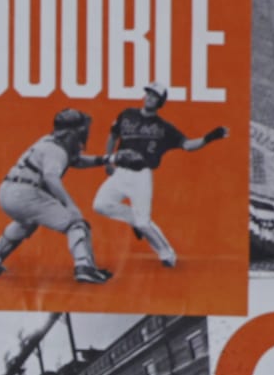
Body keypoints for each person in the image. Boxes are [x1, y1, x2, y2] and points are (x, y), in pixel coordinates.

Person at [93, 85, 227, 268]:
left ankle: (167, 255)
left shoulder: (164, 128)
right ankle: (133, 218)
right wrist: (108, 161)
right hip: (120, 172)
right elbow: (112, 136)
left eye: (155, 96)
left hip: (141, 176)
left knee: (144, 223)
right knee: (100, 205)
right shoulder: (127, 114)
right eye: (148, 93)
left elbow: (187, 145)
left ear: (160, 102)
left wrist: (209, 137)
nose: (149, 97)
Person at [0, 108, 114, 284]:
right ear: (71, 132)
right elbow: (51, 178)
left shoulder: (48, 141)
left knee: (26, 222)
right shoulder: (56, 150)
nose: (84, 132)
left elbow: (75, 161)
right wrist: (70, 206)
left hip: (7, 191)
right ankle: (84, 267)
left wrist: (104, 159)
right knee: (76, 223)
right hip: (26, 193)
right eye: (81, 129)